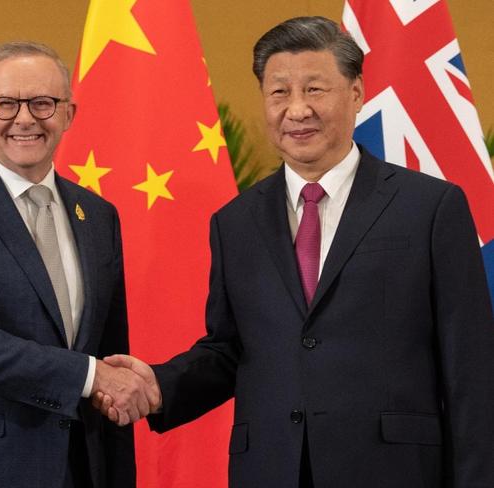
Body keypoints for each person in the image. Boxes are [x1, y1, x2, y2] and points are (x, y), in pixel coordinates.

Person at [95, 16, 494, 488]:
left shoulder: (430, 207)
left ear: (357, 93)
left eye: (315, 89)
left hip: (393, 469)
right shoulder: (235, 221)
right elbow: (230, 350)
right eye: (279, 92)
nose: (297, 110)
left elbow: (471, 369)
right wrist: (160, 386)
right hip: (270, 467)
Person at [0, 41, 158, 488]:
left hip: (77, 468)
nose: (24, 119)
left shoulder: (97, 215)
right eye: (5, 104)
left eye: (43, 103)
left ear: (68, 114)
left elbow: (108, 353)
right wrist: (90, 376)